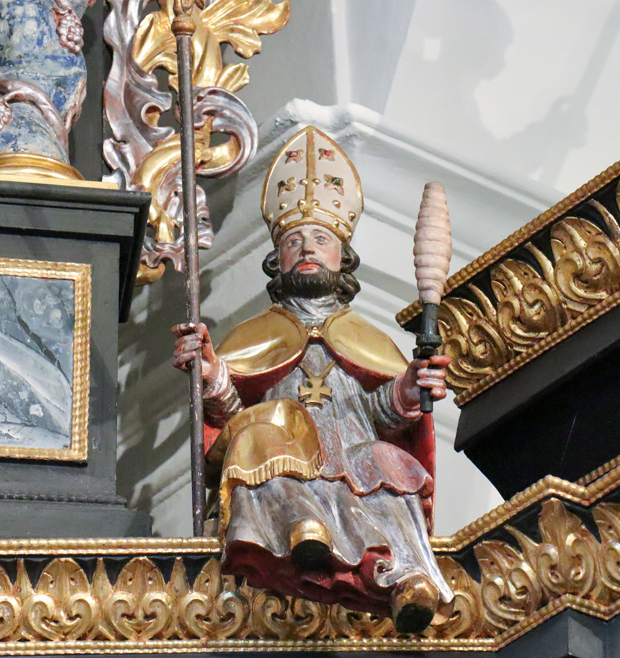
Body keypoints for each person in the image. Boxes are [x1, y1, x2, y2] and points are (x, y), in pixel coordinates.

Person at [173, 127, 451, 633]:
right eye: (293, 241)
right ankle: (301, 533)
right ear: (276, 260)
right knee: (257, 443)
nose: (307, 249)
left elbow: (380, 414)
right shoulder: (254, 335)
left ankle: (406, 577)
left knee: (387, 462)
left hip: (352, 452)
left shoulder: (366, 338)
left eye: (321, 240)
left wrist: (408, 391)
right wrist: (212, 374)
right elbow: (229, 416)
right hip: (287, 453)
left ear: (341, 256)